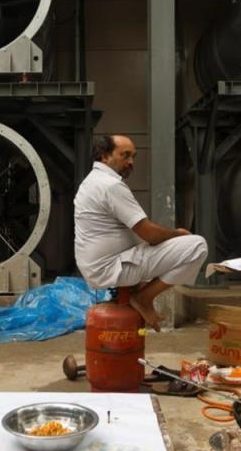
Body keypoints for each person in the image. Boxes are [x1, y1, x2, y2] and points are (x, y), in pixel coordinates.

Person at [74, 134, 208, 331]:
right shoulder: (110, 186)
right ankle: (144, 298)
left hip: (102, 265)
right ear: (104, 156)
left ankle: (138, 291)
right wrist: (178, 234)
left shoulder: (92, 181)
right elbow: (149, 234)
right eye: (125, 155)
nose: (131, 162)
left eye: (133, 157)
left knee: (159, 243)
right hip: (111, 267)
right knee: (197, 246)